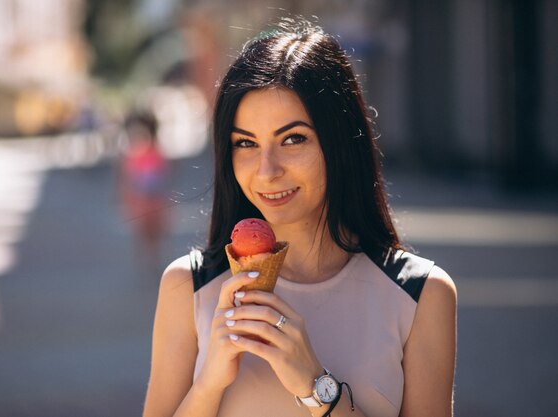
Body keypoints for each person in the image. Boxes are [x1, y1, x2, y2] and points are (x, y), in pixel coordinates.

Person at [143, 18, 456, 417]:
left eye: (293, 139)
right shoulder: (188, 287)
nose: (266, 170)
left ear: (340, 141)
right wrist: (209, 384)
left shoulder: (421, 293)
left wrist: (316, 387)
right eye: (245, 143)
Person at [117, 110, 170, 264]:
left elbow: (164, 175)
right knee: (143, 232)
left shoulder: (155, 153)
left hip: (154, 200)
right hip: (141, 201)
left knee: (154, 231)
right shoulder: (132, 155)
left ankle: (153, 257)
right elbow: (127, 179)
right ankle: (147, 258)